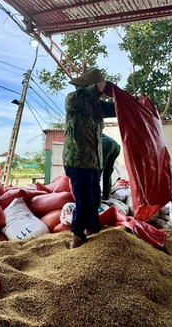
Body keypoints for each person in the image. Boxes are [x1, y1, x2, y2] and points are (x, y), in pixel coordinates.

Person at [63, 68, 115, 249]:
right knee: (84, 200)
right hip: (77, 160)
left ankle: (92, 229)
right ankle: (77, 236)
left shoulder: (97, 108)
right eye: (96, 91)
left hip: (93, 162)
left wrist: (134, 102)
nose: (98, 97)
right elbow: (80, 96)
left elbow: (119, 108)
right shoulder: (73, 101)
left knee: (95, 200)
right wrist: (96, 88)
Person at [101, 133, 121, 201]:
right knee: (108, 171)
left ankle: (96, 198)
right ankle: (106, 195)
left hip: (106, 145)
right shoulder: (97, 131)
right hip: (116, 146)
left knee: (97, 172)